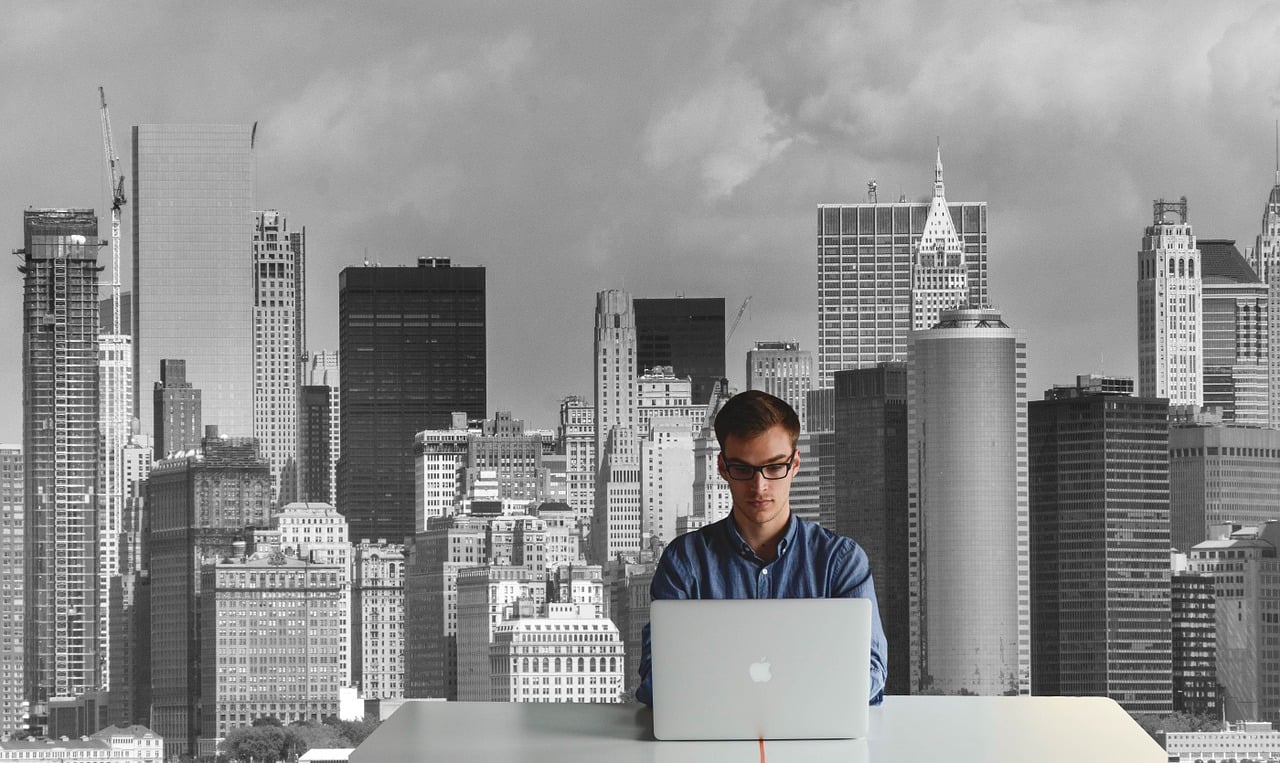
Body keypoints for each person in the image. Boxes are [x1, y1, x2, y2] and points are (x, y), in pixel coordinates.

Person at [635, 389, 887, 706]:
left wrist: (730, 687)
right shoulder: (685, 562)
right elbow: (656, 678)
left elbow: (871, 671)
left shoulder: (840, 562)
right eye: (743, 469)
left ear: (795, 464)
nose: (759, 486)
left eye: (774, 467)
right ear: (723, 468)